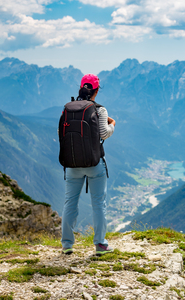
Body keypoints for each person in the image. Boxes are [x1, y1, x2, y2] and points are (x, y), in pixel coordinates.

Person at [61, 74, 116, 256]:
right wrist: (112, 124)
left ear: (81, 88)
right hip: (94, 163)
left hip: (72, 163)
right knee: (98, 204)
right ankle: (100, 244)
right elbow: (103, 134)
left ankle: (67, 245)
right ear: (97, 90)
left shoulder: (68, 109)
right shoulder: (100, 110)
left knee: (70, 203)